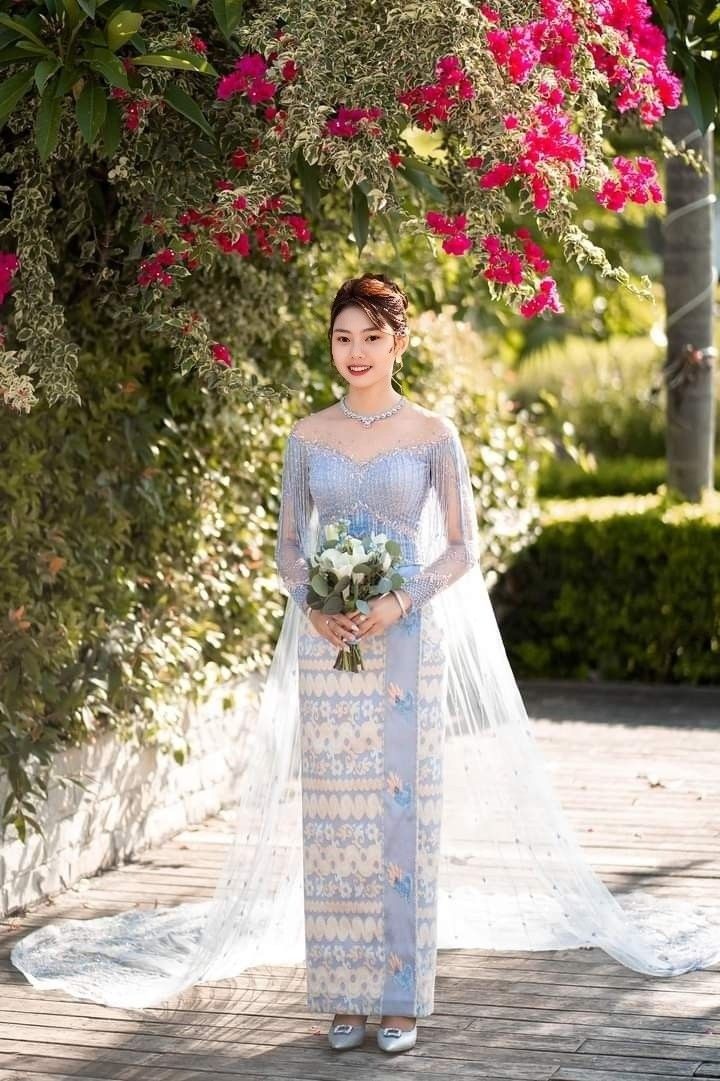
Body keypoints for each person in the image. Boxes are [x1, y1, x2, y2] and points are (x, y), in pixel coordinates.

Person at [10, 273, 720, 1056]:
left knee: (402, 818)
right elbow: (288, 546)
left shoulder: (431, 433)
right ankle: (343, 995)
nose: (356, 352)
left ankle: (401, 997)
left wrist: (398, 601)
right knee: (336, 819)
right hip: (329, 648)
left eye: (371, 337)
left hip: (408, 643)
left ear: (398, 342)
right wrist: (315, 606)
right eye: (343, 337)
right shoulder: (307, 436)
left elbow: (459, 548)